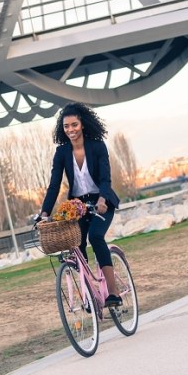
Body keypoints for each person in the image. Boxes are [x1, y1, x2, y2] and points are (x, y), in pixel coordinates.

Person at [40, 102, 122, 307]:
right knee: (76, 246)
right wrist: (44, 213)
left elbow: (105, 179)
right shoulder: (61, 153)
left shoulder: (97, 146)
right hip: (78, 206)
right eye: (66, 126)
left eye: (74, 125)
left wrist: (103, 200)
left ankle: (113, 293)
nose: (70, 130)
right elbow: (54, 185)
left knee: (95, 237)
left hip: (102, 202)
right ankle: (89, 293)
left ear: (82, 124)